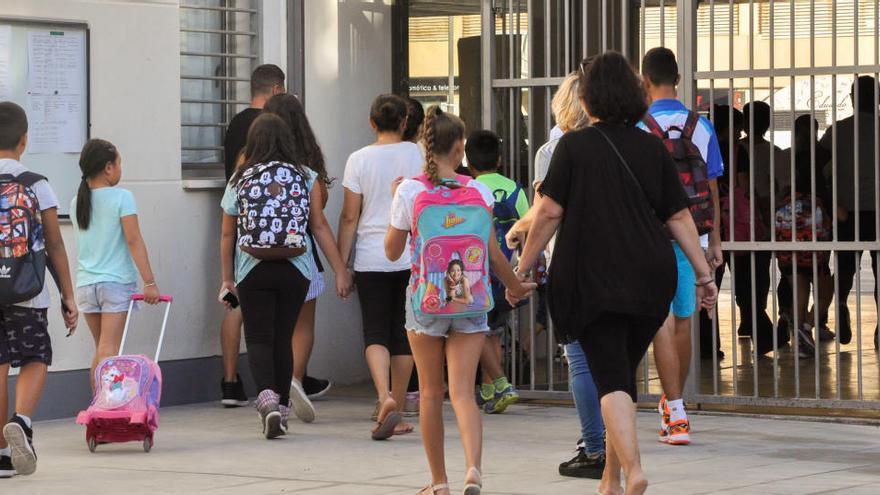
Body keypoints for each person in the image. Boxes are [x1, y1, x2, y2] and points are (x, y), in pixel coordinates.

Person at [516, 52, 717, 495]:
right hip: (650, 279)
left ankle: (634, 468)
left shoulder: (572, 147)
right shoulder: (652, 147)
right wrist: (704, 275)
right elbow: (680, 218)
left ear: (587, 100)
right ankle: (609, 480)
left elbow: (547, 212)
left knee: (609, 378)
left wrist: (523, 267)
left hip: (592, 280)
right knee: (621, 374)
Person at [385, 106, 535, 495]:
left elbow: (391, 251)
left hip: (426, 301)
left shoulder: (410, 190)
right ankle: (473, 469)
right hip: (470, 299)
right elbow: (492, 253)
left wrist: (394, 203)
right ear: (460, 149)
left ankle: (438, 482)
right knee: (465, 394)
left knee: (432, 393)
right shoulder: (478, 191)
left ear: (425, 147)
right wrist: (514, 287)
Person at [219, 113, 352, 439]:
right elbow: (318, 226)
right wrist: (339, 269)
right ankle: (284, 408)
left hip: (252, 268)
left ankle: (267, 401)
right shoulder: (306, 176)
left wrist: (227, 279)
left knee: (260, 338)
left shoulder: (240, 178)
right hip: (296, 268)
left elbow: (226, 235)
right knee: (283, 337)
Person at [507, 71, 605, 478]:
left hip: (571, 260)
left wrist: (522, 257)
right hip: (613, 260)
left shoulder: (552, 150)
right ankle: (614, 440)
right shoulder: (614, 143)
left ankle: (593, 445)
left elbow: (547, 208)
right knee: (610, 359)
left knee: (580, 359)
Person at [639, 47, 723, 446]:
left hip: (652, 237)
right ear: (677, 78)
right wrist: (715, 240)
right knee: (685, 321)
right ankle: (679, 406)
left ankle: (673, 411)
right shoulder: (700, 126)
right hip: (693, 237)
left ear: (645, 80)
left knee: (661, 323)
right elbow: (712, 186)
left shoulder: (638, 128)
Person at [0, 101, 78, 477]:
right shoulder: (36, 183)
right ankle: (23, 420)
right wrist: (67, 295)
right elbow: (54, 244)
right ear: (24, 140)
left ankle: (1, 455)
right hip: (27, 290)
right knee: (35, 356)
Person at [337, 94, 423, 438]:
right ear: (405, 121)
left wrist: (343, 265)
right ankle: (397, 408)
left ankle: (382, 395)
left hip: (372, 255)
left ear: (372, 123)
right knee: (404, 332)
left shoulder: (358, 159)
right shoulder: (417, 154)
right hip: (410, 254)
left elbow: (348, 216)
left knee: (374, 331)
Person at [263, 94, 335, 423]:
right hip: (301, 254)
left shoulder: (249, 162)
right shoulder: (307, 166)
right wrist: (341, 267)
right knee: (302, 327)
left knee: (271, 330)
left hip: (256, 259)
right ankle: (294, 380)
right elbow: (318, 220)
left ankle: (274, 391)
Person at [71, 139, 161, 393]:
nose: (121, 169)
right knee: (109, 349)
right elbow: (133, 240)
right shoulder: (122, 197)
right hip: (115, 284)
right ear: (109, 168)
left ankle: (97, 409)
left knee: (101, 348)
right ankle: (105, 409)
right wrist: (150, 282)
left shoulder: (77, 200)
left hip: (86, 285)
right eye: (119, 163)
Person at [465, 129, 528, 415]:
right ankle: (492, 387)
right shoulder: (514, 189)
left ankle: (490, 387)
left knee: (477, 330)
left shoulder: (469, 189)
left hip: (475, 273)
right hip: (506, 272)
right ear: (500, 159)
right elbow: (527, 227)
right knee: (496, 332)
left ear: (468, 161)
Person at [820, 76, 880, 349]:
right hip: (878, 210)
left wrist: (832, 203)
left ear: (854, 99)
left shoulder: (838, 131)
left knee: (844, 268)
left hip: (846, 209)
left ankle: (841, 303)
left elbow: (815, 169)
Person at [776, 115, 834, 359]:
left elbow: (777, 190)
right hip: (815, 231)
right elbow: (829, 188)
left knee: (796, 281)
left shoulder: (784, 156)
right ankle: (808, 326)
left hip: (788, 231)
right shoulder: (823, 156)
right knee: (826, 287)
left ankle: (799, 334)